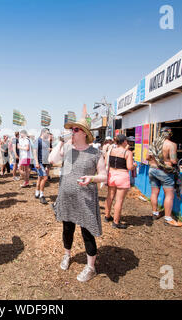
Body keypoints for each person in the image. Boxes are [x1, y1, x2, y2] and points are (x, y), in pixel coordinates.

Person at [50, 118, 107, 282]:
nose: (71, 132)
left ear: (84, 133)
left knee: (87, 232)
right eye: (71, 130)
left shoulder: (95, 153)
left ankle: (91, 267)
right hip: (67, 198)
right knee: (67, 229)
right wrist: (61, 142)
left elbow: (104, 175)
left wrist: (92, 178)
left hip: (85, 199)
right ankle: (67, 255)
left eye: (75, 130)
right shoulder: (67, 148)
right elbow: (53, 159)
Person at [146, 127, 182, 227]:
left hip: (152, 169)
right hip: (165, 172)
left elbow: (147, 157)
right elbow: (174, 161)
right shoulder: (171, 145)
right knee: (169, 194)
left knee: (154, 192)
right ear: (170, 134)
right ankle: (168, 218)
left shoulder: (153, 144)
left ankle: (154, 213)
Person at [104, 134, 136, 229]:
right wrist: (134, 165)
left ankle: (107, 216)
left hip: (111, 175)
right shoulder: (127, 152)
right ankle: (116, 222)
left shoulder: (110, 151)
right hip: (122, 176)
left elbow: (106, 163)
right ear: (124, 141)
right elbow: (130, 167)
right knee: (119, 200)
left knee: (110, 196)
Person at [33, 128, 50, 204]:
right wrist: (36, 162)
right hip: (38, 162)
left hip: (43, 162)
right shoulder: (38, 140)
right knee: (45, 177)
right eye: (47, 133)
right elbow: (34, 152)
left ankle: (37, 193)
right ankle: (41, 196)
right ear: (43, 133)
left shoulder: (45, 141)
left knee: (40, 178)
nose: (48, 134)